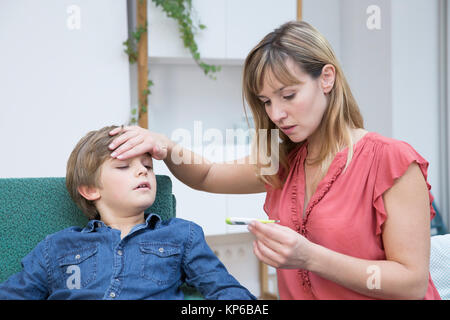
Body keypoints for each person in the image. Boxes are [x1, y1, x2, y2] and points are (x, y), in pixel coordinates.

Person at [107, 21, 441, 300]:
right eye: (266, 101)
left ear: (327, 78)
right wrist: (165, 145)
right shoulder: (282, 159)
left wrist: (309, 257)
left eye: (289, 95)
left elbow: (411, 283)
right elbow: (207, 175)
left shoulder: (392, 161)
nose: (277, 114)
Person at [0, 125, 256, 300]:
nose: (142, 171)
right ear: (89, 189)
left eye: (147, 165)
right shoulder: (56, 248)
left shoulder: (182, 235)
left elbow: (226, 291)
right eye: (123, 166)